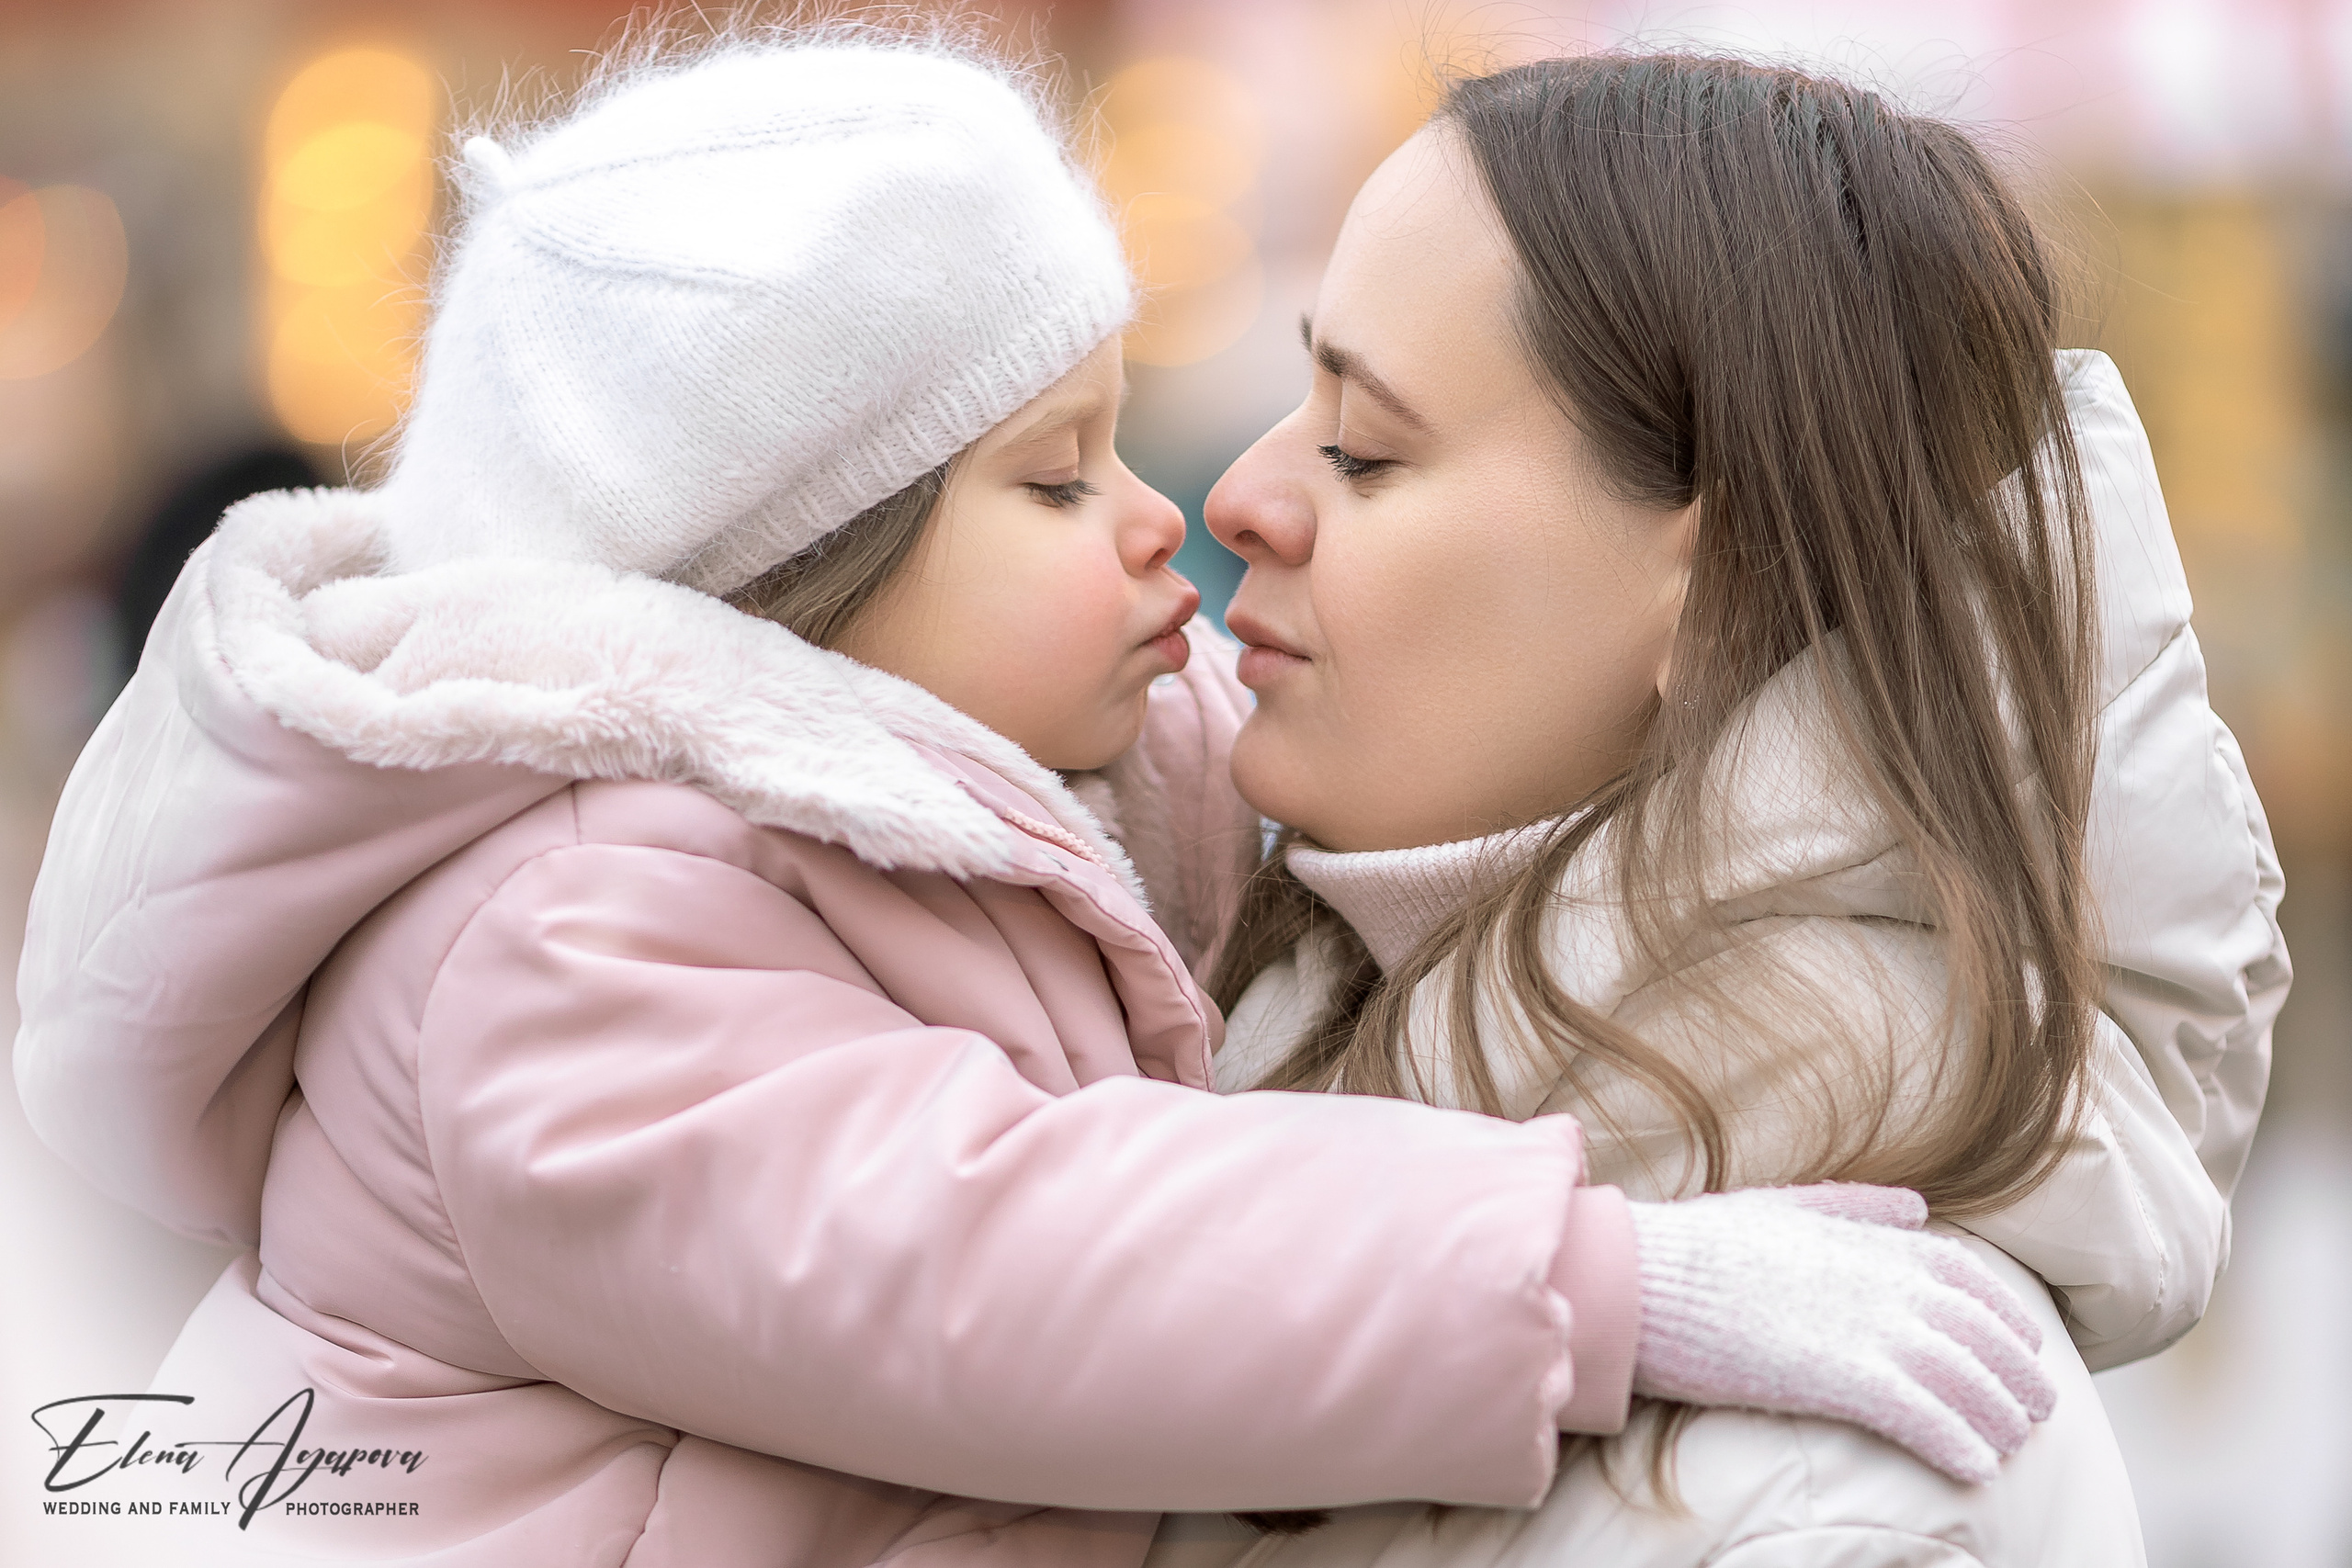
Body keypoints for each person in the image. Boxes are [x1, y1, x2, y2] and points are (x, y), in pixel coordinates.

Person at [12, 28, 2052, 1568]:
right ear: (800, 582)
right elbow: (993, 1249)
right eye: (1061, 477)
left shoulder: (915, 818)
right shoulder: (564, 931)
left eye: (1365, 450)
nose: (1195, 514)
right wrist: (1608, 1280)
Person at [1153, 52, 2288, 1567]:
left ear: (1722, 578)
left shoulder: (1845, 1480)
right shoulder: (1224, 1071)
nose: (1239, 496)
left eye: (1364, 448)